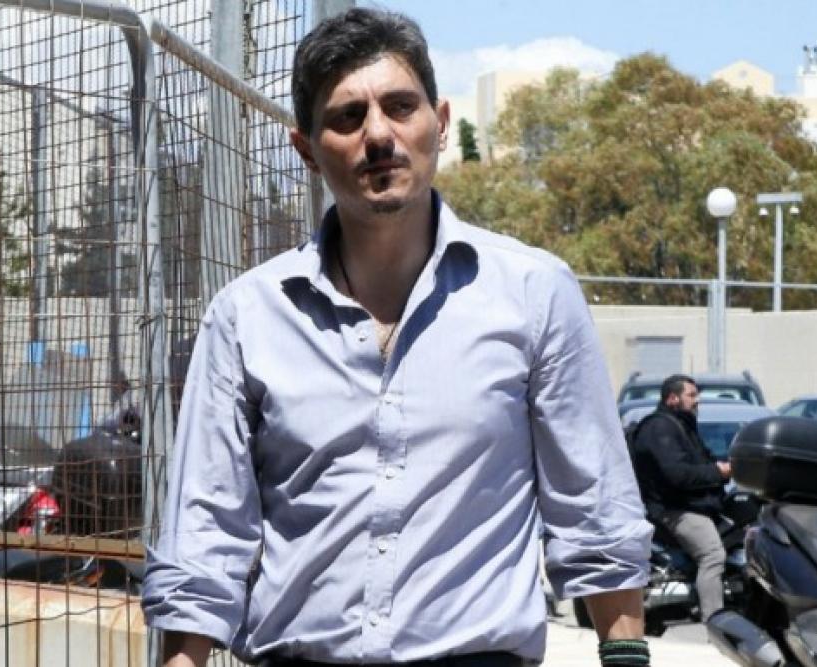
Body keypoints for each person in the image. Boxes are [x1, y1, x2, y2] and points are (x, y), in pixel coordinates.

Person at [141, 8, 653, 667]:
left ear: (440, 123)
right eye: (348, 117)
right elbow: (205, 531)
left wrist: (625, 653)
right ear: (306, 149)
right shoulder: (247, 317)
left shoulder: (534, 293)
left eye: (400, 106)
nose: (379, 134)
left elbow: (595, 506)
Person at [630, 374, 730, 622]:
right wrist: (717, 472)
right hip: (674, 510)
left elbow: (703, 461)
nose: (697, 401)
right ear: (673, 398)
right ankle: (715, 623)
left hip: (694, 504)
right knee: (712, 555)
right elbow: (678, 474)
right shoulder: (659, 428)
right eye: (691, 395)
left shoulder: (682, 426)